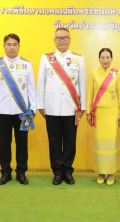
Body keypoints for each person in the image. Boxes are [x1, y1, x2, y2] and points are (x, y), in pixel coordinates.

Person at [37, 28, 86, 185]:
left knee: (71, 141)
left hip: (71, 107)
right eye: (59, 38)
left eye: (65, 38)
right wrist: (40, 104)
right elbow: (40, 82)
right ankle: (57, 172)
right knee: (54, 141)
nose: (62, 40)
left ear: (70, 39)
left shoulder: (78, 58)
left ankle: (68, 171)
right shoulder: (46, 58)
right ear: (54, 40)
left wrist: (83, 105)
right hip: (51, 107)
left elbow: (82, 82)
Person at [0, 33, 36, 185]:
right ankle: (5, 173)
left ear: (19, 46)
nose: (11, 47)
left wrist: (33, 108)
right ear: (4, 46)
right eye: (8, 44)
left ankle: (21, 172)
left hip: (22, 112)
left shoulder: (26, 64)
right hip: (2, 111)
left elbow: (31, 89)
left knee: (22, 143)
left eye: (14, 44)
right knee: (4, 143)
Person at [86, 48, 120, 186]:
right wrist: (88, 112)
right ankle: (101, 172)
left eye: (108, 57)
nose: (105, 60)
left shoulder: (117, 73)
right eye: (103, 57)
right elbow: (89, 93)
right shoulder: (93, 73)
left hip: (113, 112)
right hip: (98, 113)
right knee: (100, 143)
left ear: (111, 59)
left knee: (112, 143)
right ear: (99, 59)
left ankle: (111, 172)